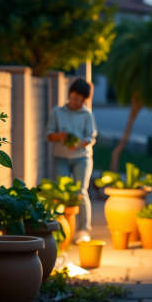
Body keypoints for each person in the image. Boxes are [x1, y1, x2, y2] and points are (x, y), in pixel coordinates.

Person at [46, 78, 97, 243]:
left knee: (80, 192)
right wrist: (60, 136)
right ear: (69, 95)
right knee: (61, 193)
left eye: (80, 100)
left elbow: (91, 137)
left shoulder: (87, 114)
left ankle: (83, 230)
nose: (76, 102)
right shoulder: (57, 112)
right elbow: (48, 135)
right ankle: (61, 229)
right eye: (74, 98)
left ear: (84, 100)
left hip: (81, 157)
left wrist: (79, 144)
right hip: (61, 157)